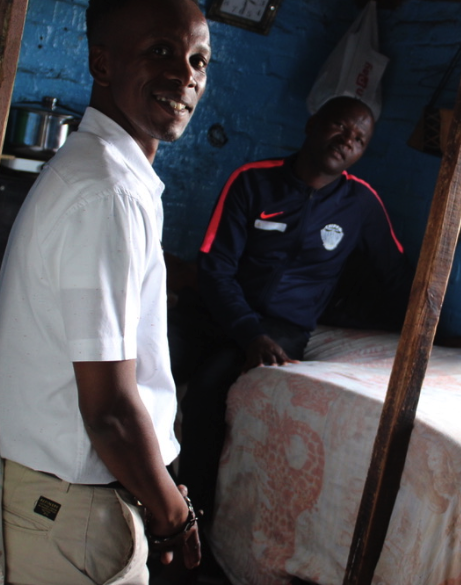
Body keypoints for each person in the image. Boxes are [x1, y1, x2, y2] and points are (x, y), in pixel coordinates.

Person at [0, 0, 210, 584]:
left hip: (74, 503)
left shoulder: (112, 178)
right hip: (73, 511)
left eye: (198, 60)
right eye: (160, 50)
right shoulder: (105, 193)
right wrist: (172, 514)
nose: (186, 74)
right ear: (102, 63)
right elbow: (108, 409)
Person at [171, 95, 415, 521]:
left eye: (359, 139)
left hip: (282, 326)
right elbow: (215, 268)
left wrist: (430, 332)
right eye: (340, 127)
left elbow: (395, 273)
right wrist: (248, 331)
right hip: (215, 312)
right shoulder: (252, 181)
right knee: (146, 366)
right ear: (312, 125)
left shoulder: (360, 203)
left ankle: (191, 520)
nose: (347, 141)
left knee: (208, 389)